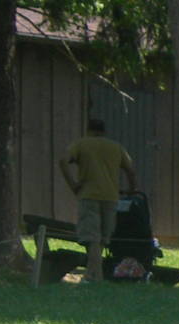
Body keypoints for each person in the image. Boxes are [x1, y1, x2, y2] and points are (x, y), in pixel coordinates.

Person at [59, 119, 137, 283]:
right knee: (102, 238)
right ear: (104, 131)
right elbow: (130, 170)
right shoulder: (116, 147)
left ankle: (95, 276)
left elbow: (63, 160)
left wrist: (73, 184)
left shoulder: (81, 144)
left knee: (91, 237)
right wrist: (131, 189)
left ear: (88, 130)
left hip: (88, 195)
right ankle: (93, 275)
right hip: (111, 197)